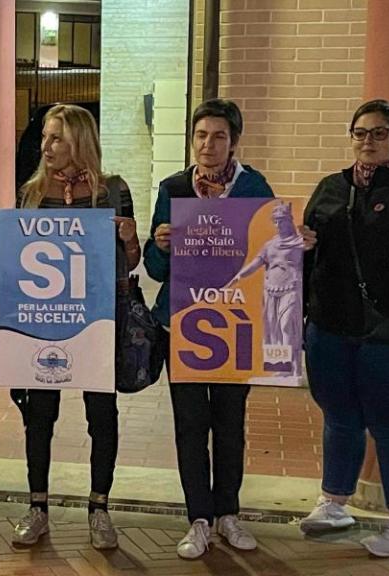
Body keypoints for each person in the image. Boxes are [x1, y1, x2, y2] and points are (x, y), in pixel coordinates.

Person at [0, 105, 140, 548]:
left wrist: (128, 239)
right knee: (39, 416)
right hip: (43, 322)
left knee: (101, 417)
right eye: (45, 138)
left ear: (80, 143)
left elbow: (132, 261)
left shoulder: (113, 191)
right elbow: (15, 262)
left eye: (56, 139)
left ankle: (100, 510)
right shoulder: (30, 193)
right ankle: (37, 507)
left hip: (99, 322)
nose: (45, 147)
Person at [144, 99, 274, 559]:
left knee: (230, 424)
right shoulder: (174, 187)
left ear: (234, 142)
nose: (208, 144)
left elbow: (270, 259)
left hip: (234, 325)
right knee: (190, 425)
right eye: (201, 135)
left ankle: (229, 514)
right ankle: (198, 518)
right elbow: (155, 269)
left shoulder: (253, 188)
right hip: (184, 324)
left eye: (219, 136)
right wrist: (158, 245)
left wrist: (294, 243)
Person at [300, 98, 389, 558]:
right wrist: (300, 245)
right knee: (339, 417)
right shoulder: (330, 188)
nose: (368, 141)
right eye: (361, 133)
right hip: (330, 325)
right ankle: (334, 502)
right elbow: (304, 253)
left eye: (379, 133)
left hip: (387, 331)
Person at [227, 202, 303, 378]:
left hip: (291, 287)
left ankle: (294, 367)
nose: (278, 225)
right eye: (275, 222)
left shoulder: (299, 242)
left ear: (289, 221)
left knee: (286, 325)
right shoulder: (270, 245)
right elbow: (256, 263)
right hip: (271, 289)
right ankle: (282, 368)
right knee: (273, 328)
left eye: (281, 221)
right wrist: (239, 275)